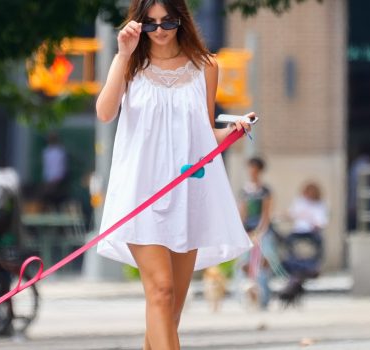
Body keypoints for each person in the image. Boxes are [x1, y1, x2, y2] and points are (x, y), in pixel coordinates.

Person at [95, 1, 253, 349]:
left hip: (188, 195)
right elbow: (105, 112)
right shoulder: (130, 65)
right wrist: (122, 53)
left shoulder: (205, 66)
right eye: (150, 24)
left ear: (182, 19)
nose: (160, 30)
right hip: (141, 195)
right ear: (138, 26)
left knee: (169, 310)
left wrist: (236, 130)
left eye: (167, 21)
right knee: (162, 292)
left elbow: (205, 133)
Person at [237, 157, 277, 310]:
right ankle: (243, 298)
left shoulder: (265, 191)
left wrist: (259, 232)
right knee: (244, 263)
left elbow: (266, 214)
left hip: (262, 230)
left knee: (264, 261)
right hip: (247, 231)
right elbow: (243, 213)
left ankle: (264, 298)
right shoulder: (244, 191)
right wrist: (244, 232)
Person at [41, 131, 68, 211]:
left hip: (58, 182)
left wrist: (55, 181)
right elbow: (47, 168)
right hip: (49, 181)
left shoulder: (60, 152)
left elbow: (61, 168)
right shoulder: (46, 152)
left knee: (58, 201)